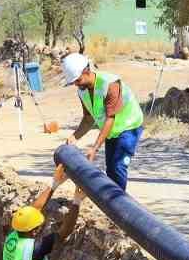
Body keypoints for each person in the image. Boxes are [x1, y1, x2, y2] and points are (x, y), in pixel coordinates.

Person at [58, 53, 144, 190]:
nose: (76, 84)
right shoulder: (82, 90)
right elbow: (88, 118)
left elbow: (111, 117)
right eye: (73, 82)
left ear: (86, 71)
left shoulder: (110, 84)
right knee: (110, 169)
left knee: (118, 166)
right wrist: (74, 137)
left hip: (129, 127)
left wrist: (95, 148)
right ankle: (112, 203)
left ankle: (120, 207)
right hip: (111, 131)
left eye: (78, 80)